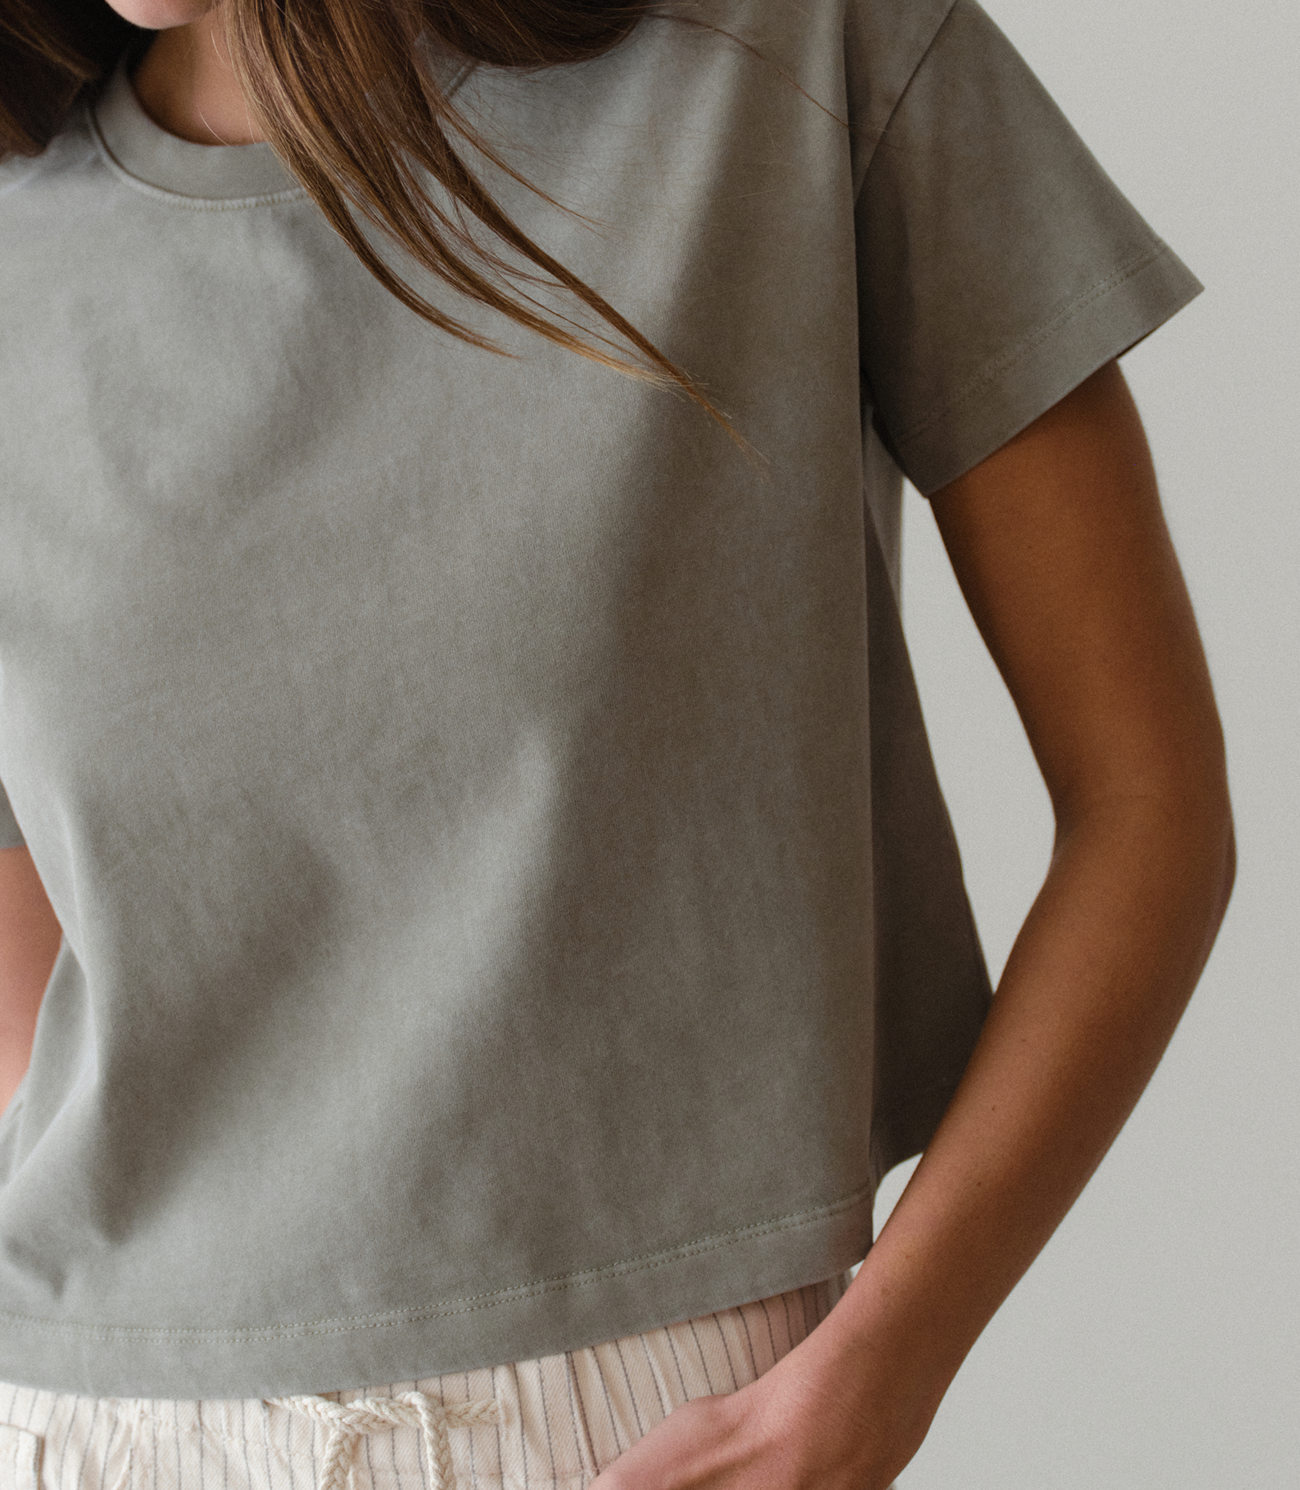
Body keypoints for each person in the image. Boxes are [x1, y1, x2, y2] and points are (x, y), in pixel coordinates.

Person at [0, 0, 1233, 1487]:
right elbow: (39, 986)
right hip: (88, 1419)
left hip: (638, 1426)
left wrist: (884, 1362)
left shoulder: (788, 58)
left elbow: (1147, 803)